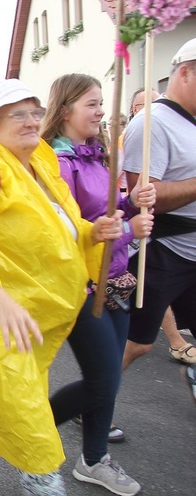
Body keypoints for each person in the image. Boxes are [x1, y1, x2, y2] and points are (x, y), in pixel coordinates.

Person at [0, 79, 123, 496]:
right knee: (35, 436)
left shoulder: (41, 170)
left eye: (35, 111)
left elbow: (58, 233)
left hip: (24, 323)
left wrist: (94, 233)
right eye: (17, 113)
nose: (32, 120)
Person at [41, 73, 155, 496]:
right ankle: (29, 428)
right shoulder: (55, 162)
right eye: (92, 103)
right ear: (66, 108)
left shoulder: (98, 155)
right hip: (81, 285)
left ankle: (92, 460)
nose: (102, 110)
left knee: (108, 377)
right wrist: (130, 229)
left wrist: (132, 202)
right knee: (103, 378)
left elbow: (109, 210)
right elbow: (69, 231)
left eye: (102, 102)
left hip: (119, 277)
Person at [122, 38, 196, 373]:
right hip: (164, 251)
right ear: (185, 73)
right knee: (138, 344)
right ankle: (90, 400)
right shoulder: (152, 122)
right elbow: (143, 194)